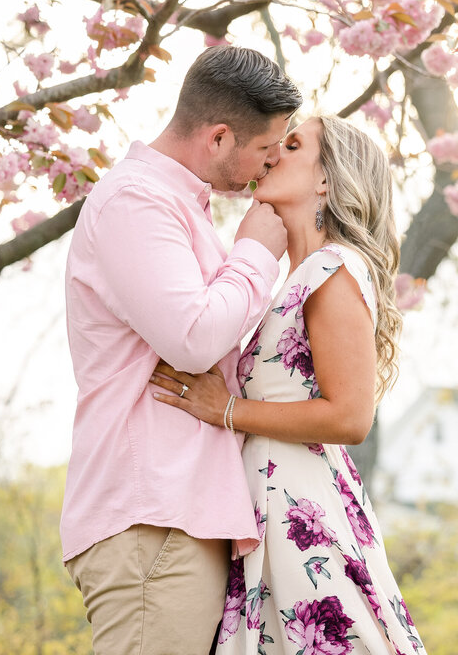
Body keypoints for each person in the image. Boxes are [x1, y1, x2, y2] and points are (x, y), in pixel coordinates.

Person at [150, 114, 428, 654]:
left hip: (304, 508)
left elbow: (350, 417)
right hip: (271, 504)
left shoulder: (334, 269)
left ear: (327, 178)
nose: (273, 152)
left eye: (293, 145)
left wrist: (226, 409)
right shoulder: (298, 279)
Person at [61, 45, 302, 655]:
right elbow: (192, 338)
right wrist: (255, 252)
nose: (266, 171)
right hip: (152, 514)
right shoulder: (137, 203)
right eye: (265, 152)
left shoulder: (175, 207)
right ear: (219, 137)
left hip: (176, 513)